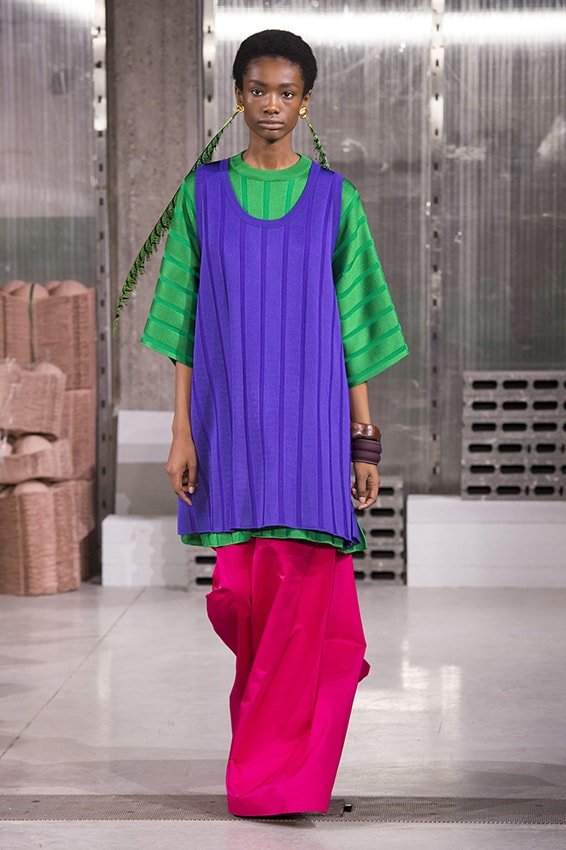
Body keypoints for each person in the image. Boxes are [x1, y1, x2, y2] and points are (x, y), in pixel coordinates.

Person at [114, 29, 409, 817]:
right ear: (238, 97)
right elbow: (181, 322)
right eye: (257, 90)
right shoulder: (203, 195)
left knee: (308, 613)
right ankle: (269, 771)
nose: (270, 104)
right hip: (233, 434)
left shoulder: (335, 200)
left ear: (305, 101)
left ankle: (280, 784)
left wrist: (364, 441)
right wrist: (182, 433)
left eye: (285, 92)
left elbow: (357, 328)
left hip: (312, 439)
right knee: (244, 605)